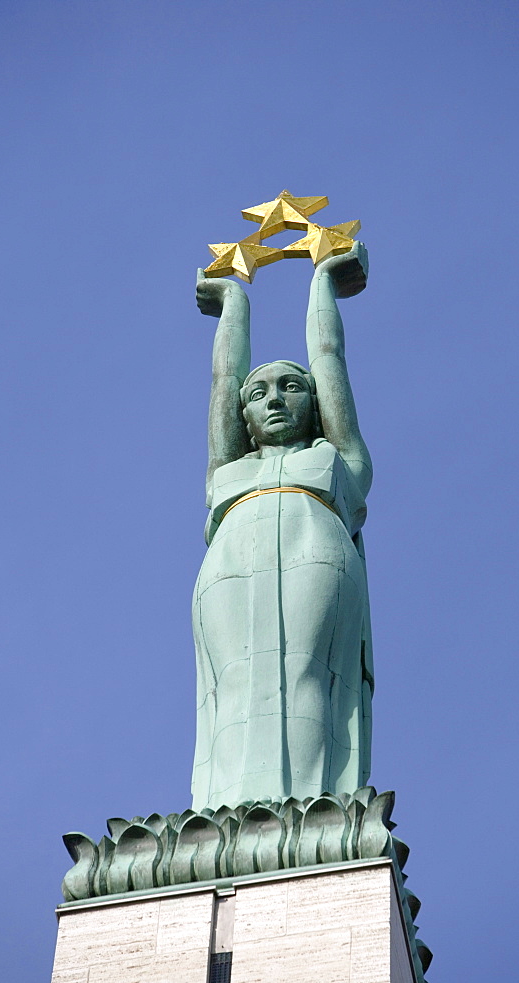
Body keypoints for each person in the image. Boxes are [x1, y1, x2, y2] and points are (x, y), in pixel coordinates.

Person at [191, 242, 374, 812]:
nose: (273, 399)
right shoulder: (230, 470)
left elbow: (329, 356)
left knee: (306, 674)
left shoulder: (339, 464)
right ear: (243, 416)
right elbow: (224, 378)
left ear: (314, 404)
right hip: (229, 564)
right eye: (259, 393)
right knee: (234, 685)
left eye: (291, 388)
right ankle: (223, 813)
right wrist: (232, 305)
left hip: (313, 547)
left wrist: (323, 282)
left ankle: (313, 806)